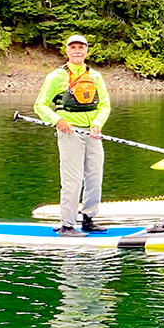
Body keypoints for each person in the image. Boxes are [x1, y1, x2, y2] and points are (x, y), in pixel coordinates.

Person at [34, 35, 112, 237]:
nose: (77, 51)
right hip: (69, 133)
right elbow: (40, 105)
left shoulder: (95, 77)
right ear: (66, 51)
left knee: (95, 177)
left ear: (87, 51)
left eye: (81, 47)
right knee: (73, 179)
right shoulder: (56, 76)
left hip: (92, 133)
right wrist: (57, 120)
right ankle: (67, 225)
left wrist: (97, 124)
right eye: (73, 47)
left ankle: (88, 219)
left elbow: (104, 105)